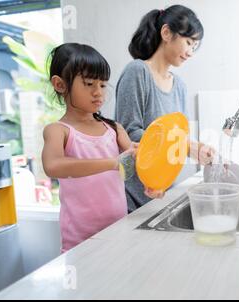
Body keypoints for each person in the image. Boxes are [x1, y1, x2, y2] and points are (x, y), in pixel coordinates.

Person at [42, 43, 163, 252]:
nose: (98, 93)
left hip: (119, 231)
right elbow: (53, 165)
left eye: (103, 85)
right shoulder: (58, 131)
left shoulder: (114, 128)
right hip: (79, 242)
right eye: (89, 83)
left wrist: (153, 183)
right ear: (60, 85)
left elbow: (137, 160)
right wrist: (111, 163)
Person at [116, 5, 213, 213]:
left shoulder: (179, 86)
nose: (190, 53)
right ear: (166, 33)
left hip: (163, 194)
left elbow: (177, 136)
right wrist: (186, 146)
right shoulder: (137, 72)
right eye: (188, 42)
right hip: (134, 199)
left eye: (194, 46)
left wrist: (197, 148)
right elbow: (129, 134)